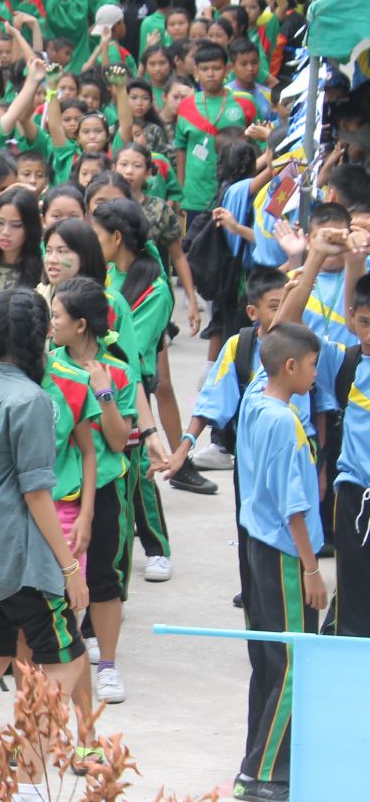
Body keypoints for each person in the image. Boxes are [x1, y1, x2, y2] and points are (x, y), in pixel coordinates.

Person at [0, 289, 90, 802]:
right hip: (21, 558)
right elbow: (36, 493)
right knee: (66, 660)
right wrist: (70, 568)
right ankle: (29, 784)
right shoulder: (31, 400)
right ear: (42, 336)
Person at [234, 322, 327, 801]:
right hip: (286, 555)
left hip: (256, 548)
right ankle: (261, 773)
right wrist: (312, 569)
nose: (316, 374)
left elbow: (267, 356)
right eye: (312, 366)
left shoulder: (255, 399)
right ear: (290, 366)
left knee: (272, 663)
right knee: (295, 663)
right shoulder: (286, 423)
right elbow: (294, 509)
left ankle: (260, 760)